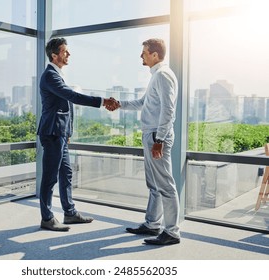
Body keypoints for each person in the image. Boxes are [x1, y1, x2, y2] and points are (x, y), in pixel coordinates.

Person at [37, 37, 118, 231]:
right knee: (50, 177)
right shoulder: (50, 76)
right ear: (54, 55)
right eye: (65, 51)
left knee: (66, 173)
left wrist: (69, 132)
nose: (68, 54)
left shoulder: (57, 74)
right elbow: (72, 97)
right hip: (53, 133)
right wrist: (101, 101)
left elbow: (66, 107)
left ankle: (70, 213)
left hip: (61, 134)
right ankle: (47, 218)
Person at [112, 38, 180, 245]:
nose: (141, 56)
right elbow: (144, 103)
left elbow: (168, 109)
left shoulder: (163, 75)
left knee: (165, 185)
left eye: (144, 52)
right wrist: (119, 104)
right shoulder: (156, 76)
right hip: (151, 135)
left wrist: (159, 139)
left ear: (154, 55)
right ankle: (152, 224)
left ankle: (172, 232)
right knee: (154, 184)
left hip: (156, 136)